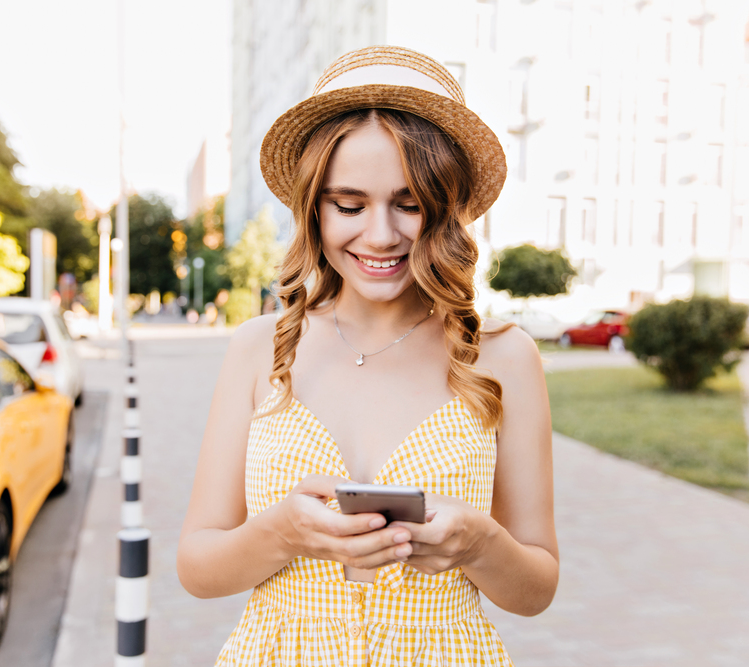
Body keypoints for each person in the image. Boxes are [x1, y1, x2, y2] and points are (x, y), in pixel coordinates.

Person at [178, 46, 557, 666]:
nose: (380, 235)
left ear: (447, 206)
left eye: (409, 204)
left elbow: (536, 588)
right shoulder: (259, 346)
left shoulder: (504, 358)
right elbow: (197, 567)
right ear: (314, 208)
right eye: (350, 205)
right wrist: (281, 532)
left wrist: (479, 543)